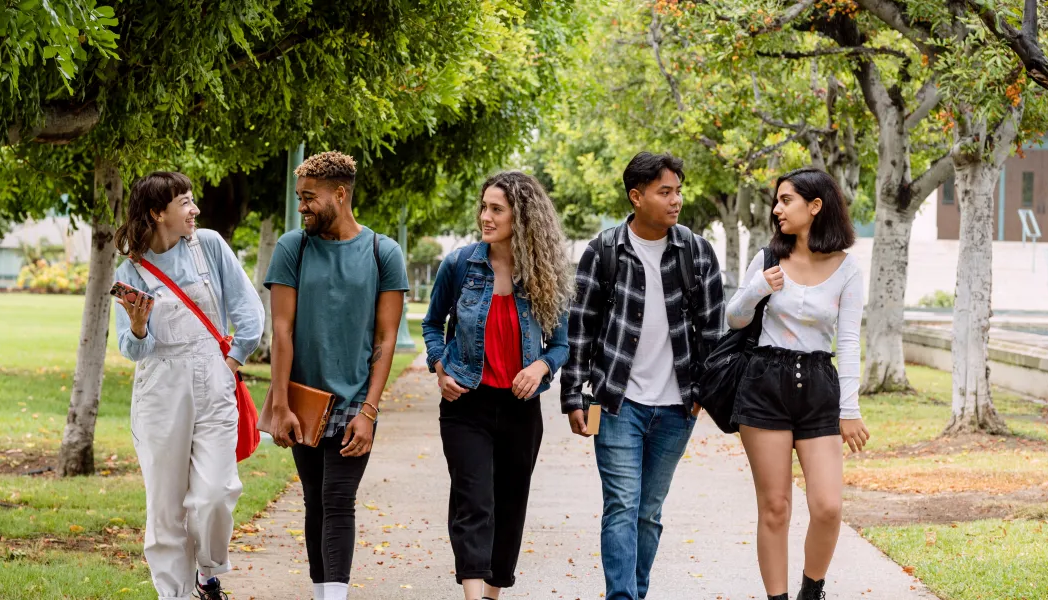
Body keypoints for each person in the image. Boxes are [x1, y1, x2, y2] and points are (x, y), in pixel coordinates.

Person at [559, 151, 726, 600]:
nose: (676, 201)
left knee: (648, 512)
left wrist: (702, 395)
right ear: (637, 197)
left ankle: (637, 592)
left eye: (678, 191)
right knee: (621, 507)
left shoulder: (695, 251)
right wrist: (573, 395)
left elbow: (714, 331)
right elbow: (581, 325)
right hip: (615, 403)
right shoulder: (603, 251)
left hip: (677, 408)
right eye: (664, 192)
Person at [111, 171, 264, 600]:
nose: (194, 209)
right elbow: (131, 348)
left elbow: (248, 310)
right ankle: (173, 594)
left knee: (216, 493)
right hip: (160, 390)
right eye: (184, 202)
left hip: (215, 380)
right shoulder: (131, 270)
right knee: (165, 507)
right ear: (159, 213)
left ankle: (207, 569)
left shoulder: (209, 246)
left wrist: (231, 363)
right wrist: (140, 328)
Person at [263, 151, 409, 600]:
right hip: (304, 402)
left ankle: (334, 596)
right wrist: (281, 405)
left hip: (353, 403)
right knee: (314, 502)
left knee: (338, 501)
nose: (302, 206)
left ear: (340, 194)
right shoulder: (294, 247)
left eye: (309, 197)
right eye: (299, 197)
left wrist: (369, 409)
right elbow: (282, 330)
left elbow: (385, 337)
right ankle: (321, 591)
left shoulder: (383, 251)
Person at [421, 171, 573, 600]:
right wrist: (439, 366)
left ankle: (492, 595)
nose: (485, 217)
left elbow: (561, 345)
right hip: (466, 403)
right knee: (474, 503)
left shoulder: (545, 275)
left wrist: (540, 367)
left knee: (509, 506)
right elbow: (433, 324)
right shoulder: (459, 264)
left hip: (520, 408)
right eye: (484, 207)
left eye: (496, 209)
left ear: (520, 217)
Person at [725, 167, 870, 600]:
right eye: (777, 200)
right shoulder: (768, 259)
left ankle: (812, 589)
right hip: (764, 383)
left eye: (786, 200)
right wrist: (756, 290)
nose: (777, 209)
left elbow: (847, 342)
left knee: (827, 506)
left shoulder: (846, 269)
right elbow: (733, 318)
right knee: (775, 508)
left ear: (815, 206)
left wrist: (850, 408)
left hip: (819, 387)